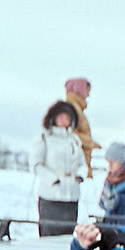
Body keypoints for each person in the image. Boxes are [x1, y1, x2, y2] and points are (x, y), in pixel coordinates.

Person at [33, 100, 89, 236]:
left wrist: (80, 175)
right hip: (51, 197)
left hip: (71, 197)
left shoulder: (74, 140)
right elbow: (36, 165)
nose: (65, 121)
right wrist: (52, 180)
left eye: (68, 118)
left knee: (67, 236)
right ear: (54, 118)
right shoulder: (44, 138)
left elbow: (82, 163)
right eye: (61, 117)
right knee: (49, 235)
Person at [63, 75, 98, 162]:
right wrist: (90, 143)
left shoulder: (76, 109)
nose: (88, 95)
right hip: (76, 165)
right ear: (79, 90)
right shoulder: (72, 110)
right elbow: (70, 134)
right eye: (87, 91)